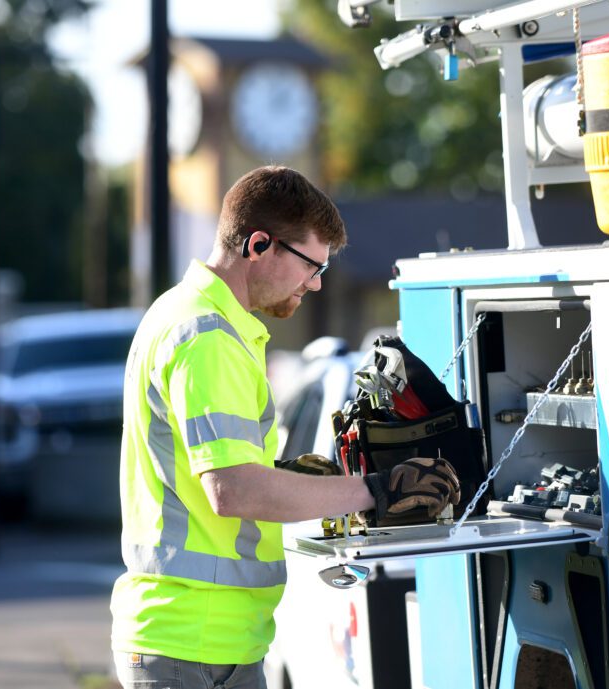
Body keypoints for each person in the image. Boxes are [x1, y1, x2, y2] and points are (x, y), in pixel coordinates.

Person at [110, 166, 461, 689]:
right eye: (310, 266)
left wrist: (293, 480)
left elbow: (212, 476)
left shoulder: (185, 314)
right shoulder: (210, 338)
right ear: (258, 245)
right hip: (193, 645)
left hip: (197, 640)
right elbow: (231, 490)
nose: (316, 284)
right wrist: (373, 491)